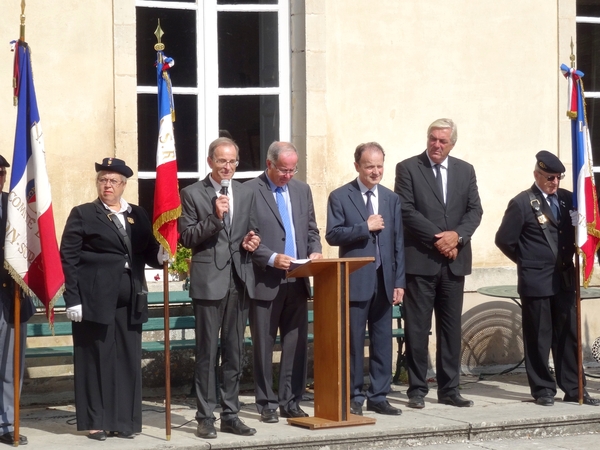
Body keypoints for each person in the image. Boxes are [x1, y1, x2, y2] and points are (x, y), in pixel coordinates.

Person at [60, 158, 163, 440]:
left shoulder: (137, 214)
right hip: (94, 298)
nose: (107, 185)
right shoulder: (83, 214)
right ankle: (95, 421)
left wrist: (163, 255)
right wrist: (72, 299)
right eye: (103, 180)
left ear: (123, 185)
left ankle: (123, 421)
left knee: (127, 360)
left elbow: (149, 250)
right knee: (95, 359)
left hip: (131, 296)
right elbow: (67, 259)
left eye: (113, 181)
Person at [495, 150, 599, 407]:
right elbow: (504, 240)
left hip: (564, 278)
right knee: (539, 337)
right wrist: (528, 262)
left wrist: (582, 222)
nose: (555, 182)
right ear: (537, 175)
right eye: (550, 177)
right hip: (537, 281)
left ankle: (575, 388)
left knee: (569, 335)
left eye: (558, 177)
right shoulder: (522, 203)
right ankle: (542, 389)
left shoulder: (566, 199)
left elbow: (577, 233)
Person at [395, 118, 483, 409]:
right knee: (417, 329)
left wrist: (457, 237)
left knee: (450, 329)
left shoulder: (465, 170)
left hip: (454, 264)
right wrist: (441, 240)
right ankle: (417, 389)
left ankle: (449, 389)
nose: (436, 144)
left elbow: (474, 210)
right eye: (432, 138)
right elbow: (405, 211)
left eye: (442, 141)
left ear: (452, 144)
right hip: (421, 263)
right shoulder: (408, 168)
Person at [178, 137, 260, 439]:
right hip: (208, 282)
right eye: (222, 161)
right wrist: (215, 218)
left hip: (239, 279)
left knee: (235, 352)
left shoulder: (245, 191)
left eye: (233, 162)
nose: (228, 167)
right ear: (210, 161)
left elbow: (253, 227)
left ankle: (230, 414)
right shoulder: (192, 193)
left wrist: (254, 239)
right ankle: (205, 416)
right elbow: (186, 237)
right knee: (207, 353)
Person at [325, 142, 405, 416]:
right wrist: (364, 227)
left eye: (380, 166)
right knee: (354, 342)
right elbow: (333, 235)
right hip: (355, 280)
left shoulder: (391, 199)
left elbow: (398, 243)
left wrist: (399, 282)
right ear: (357, 165)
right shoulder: (340, 196)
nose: (375, 171)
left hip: (385, 281)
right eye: (369, 166)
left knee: (383, 341)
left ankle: (379, 396)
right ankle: (354, 395)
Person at [246, 141, 322, 423]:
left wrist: (314, 249)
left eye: (293, 170)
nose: (288, 175)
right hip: (266, 281)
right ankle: (265, 403)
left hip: (298, 279)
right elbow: (246, 237)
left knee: (295, 344)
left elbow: (311, 228)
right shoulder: (250, 191)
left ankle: (290, 400)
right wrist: (271, 257)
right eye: (283, 170)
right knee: (264, 345)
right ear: (269, 164)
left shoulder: (302, 190)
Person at [0, 155, 35, 446]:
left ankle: (7, 422)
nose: (0, 176)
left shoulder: (15, 206)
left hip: (11, 297)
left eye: (2, 172)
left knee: (10, 367)